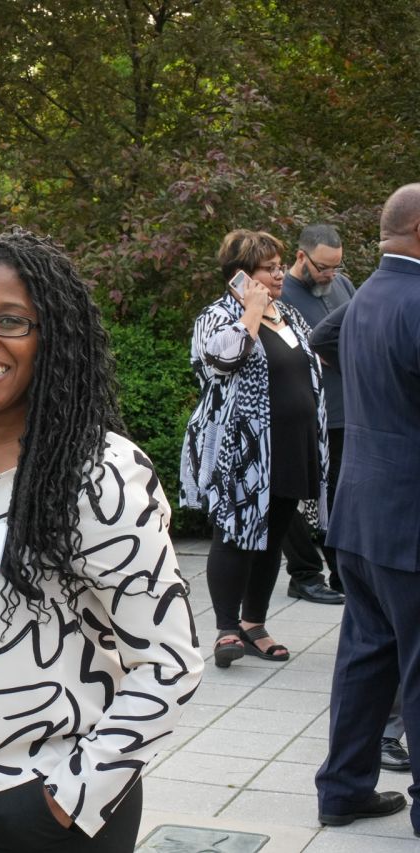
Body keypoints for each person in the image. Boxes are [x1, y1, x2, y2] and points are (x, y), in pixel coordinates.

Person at [0, 229, 203, 851]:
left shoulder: (98, 472)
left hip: (35, 804)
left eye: (10, 321)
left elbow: (170, 662)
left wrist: (71, 797)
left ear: (53, 336)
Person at [314, 183, 420, 832]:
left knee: (365, 654)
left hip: (359, 508)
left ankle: (343, 789)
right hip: (410, 518)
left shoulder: (365, 296)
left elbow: (320, 340)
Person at [180, 229, 327, 668]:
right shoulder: (217, 316)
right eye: (268, 268)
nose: (279, 274)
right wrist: (251, 312)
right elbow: (221, 361)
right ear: (241, 275)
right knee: (234, 532)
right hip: (241, 448)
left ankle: (254, 624)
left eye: (280, 266)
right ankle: (226, 629)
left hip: (289, 443)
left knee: (271, 536)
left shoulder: (290, 316)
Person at [278, 223, 355, 605]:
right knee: (292, 494)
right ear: (301, 257)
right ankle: (304, 573)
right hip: (302, 412)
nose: (330, 275)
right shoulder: (280, 294)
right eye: (323, 267)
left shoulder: (343, 285)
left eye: (336, 267)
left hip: (345, 411)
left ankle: (343, 574)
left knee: (339, 496)